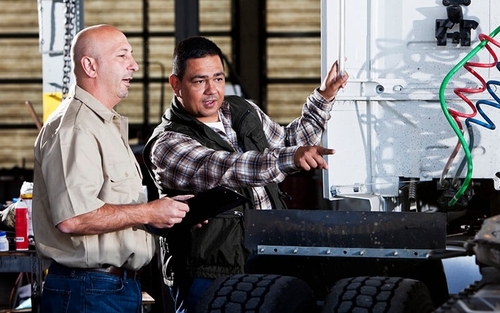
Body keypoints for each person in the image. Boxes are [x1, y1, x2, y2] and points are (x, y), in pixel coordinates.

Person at [143, 36, 348, 312]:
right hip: (208, 274)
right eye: (199, 81)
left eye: (217, 79)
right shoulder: (168, 144)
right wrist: (291, 158)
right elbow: (228, 167)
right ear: (176, 84)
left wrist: (323, 96)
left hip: (266, 258)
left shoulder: (241, 110)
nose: (211, 90)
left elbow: (288, 142)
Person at [32, 24, 191, 313]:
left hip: (109, 289)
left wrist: (164, 212)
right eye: (122, 56)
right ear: (90, 66)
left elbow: (113, 207)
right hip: (88, 290)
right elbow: (74, 218)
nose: (134, 65)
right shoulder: (75, 129)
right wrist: (148, 212)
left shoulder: (104, 125)